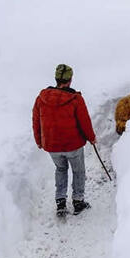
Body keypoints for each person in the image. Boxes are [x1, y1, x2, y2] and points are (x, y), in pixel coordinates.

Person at [32, 64, 96, 216]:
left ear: (56, 79)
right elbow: (84, 121)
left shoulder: (41, 98)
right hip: (73, 145)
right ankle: (78, 201)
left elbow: (36, 121)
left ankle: (61, 202)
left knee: (60, 169)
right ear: (70, 80)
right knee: (78, 170)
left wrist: (39, 140)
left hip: (52, 146)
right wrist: (91, 138)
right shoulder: (75, 99)